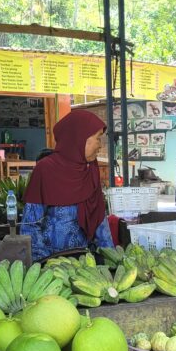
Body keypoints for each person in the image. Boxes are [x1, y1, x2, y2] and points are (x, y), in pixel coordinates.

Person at [21, 110, 113, 259]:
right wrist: (45, 263)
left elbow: (99, 219)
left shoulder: (91, 170)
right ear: (80, 138)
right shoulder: (45, 170)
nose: (100, 145)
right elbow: (30, 225)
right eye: (97, 138)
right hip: (50, 262)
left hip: (84, 260)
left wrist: (111, 257)